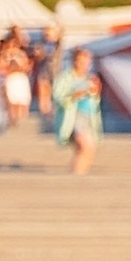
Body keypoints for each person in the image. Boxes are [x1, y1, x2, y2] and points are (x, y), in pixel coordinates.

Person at [51, 44, 102, 176]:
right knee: (84, 145)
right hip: (73, 116)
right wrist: (74, 95)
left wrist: (95, 92)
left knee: (89, 149)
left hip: (89, 116)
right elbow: (58, 96)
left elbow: (94, 99)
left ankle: (79, 173)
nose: (84, 64)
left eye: (87, 61)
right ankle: (76, 175)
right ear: (75, 60)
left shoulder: (90, 78)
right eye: (81, 60)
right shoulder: (66, 77)